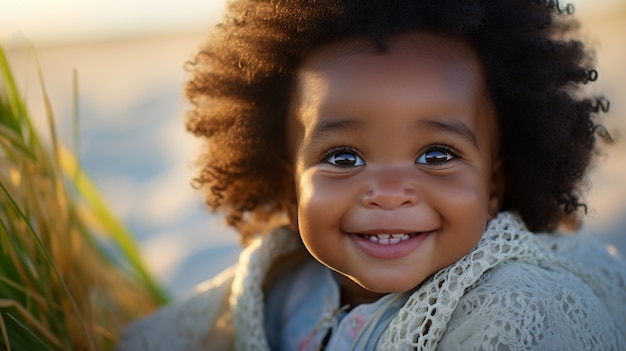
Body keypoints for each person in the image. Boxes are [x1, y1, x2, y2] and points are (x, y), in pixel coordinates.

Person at [116, 0, 626, 349]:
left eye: (435, 155)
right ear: (289, 193)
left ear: (493, 187)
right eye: (343, 158)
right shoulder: (275, 286)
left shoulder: (518, 310)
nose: (387, 193)